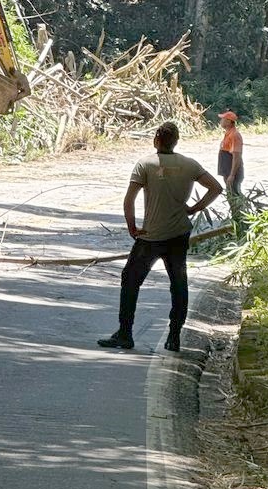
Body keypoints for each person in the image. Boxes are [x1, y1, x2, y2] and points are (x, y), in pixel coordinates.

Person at [97, 121, 224, 354]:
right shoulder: (189, 164)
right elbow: (216, 188)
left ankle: (125, 333)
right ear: (176, 141)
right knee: (178, 282)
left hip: (151, 236)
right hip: (178, 234)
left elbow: (129, 199)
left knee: (130, 279)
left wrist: (132, 226)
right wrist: (194, 208)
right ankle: (174, 337)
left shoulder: (145, 164)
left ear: (156, 139)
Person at [217, 110, 244, 196]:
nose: (220, 121)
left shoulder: (234, 135)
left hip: (231, 173)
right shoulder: (229, 133)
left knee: (235, 195)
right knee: (231, 194)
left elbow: (236, 156)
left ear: (228, 121)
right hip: (227, 172)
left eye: (223, 119)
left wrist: (232, 175)